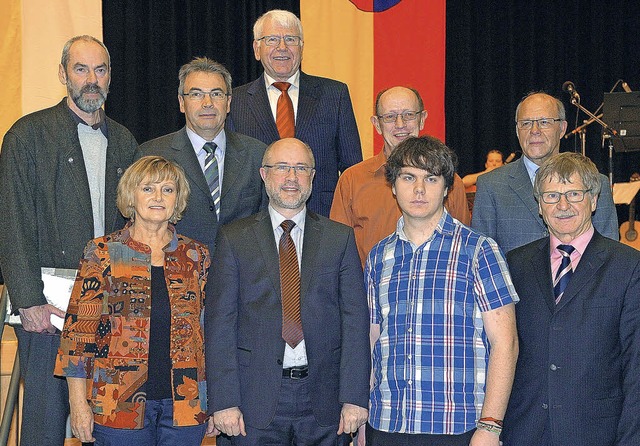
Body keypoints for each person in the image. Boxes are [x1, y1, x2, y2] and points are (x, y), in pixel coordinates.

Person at [0, 35, 138, 445]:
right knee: (45, 423)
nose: (91, 79)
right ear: (63, 75)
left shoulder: (126, 142)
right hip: (48, 307)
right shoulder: (27, 136)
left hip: (111, 306)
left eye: (100, 70)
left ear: (110, 77)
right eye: (81, 69)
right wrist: (28, 301)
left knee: (109, 423)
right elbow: (13, 225)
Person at [206, 138, 370, 445]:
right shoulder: (234, 238)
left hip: (325, 401)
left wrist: (354, 397)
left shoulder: (340, 239)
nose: (291, 177)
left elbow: (355, 322)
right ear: (264, 175)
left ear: (313, 176)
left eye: (300, 168)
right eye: (281, 167)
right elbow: (220, 325)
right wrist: (223, 400)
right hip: (252, 402)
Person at [365, 136, 519, 446]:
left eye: (431, 179)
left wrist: (490, 427)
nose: (419, 189)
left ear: (447, 188)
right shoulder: (378, 256)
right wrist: (363, 417)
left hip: (456, 427)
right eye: (408, 177)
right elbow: (373, 341)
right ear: (393, 186)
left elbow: (506, 343)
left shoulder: (479, 251)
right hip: (386, 423)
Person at [54, 156, 215, 445]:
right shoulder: (102, 252)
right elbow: (76, 337)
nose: (158, 197)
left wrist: (216, 400)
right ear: (131, 195)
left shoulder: (196, 256)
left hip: (186, 406)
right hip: (117, 405)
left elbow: (211, 333)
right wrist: (78, 406)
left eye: (168, 190)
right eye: (148, 188)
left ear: (178, 200)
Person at [501, 152, 640, 446]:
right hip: (524, 432)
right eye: (551, 195)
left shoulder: (628, 266)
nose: (562, 205)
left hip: (597, 435)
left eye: (574, 193)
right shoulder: (515, 264)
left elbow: (635, 368)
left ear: (593, 200)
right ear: (539, 205)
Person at [228, 9, 362, 217]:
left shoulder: (335, 95)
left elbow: (353, 171)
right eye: (272, 39)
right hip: (254, 224)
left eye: (290, 39)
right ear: (257, 48)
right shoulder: (235, 101)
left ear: (301, 48)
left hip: (322, 220)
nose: (282, 47)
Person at [138, 57, 267, 253]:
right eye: (197, 94)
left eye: (216, 94)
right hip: (176, 273)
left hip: (242, 276)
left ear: (229, 102)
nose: (208, 103)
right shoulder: (151, 155)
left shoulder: (258, 154)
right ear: (182, 102)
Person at [330, 86, 471, 266]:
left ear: (422, 119)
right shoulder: (352, 180)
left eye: (408, 115)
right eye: (390, 117)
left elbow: (463, 246)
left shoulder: (450, 181)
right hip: (369, 291)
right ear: (376, 124)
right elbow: (338, 254)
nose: (400, 124)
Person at [472, 92, 618, 253]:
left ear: (562, 128)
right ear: (517, 130)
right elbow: (481, 258)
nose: (534, 130)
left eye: (544, 122)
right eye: (526, 123)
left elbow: (609, 258)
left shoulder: (597, 183)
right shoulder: (491, 185)